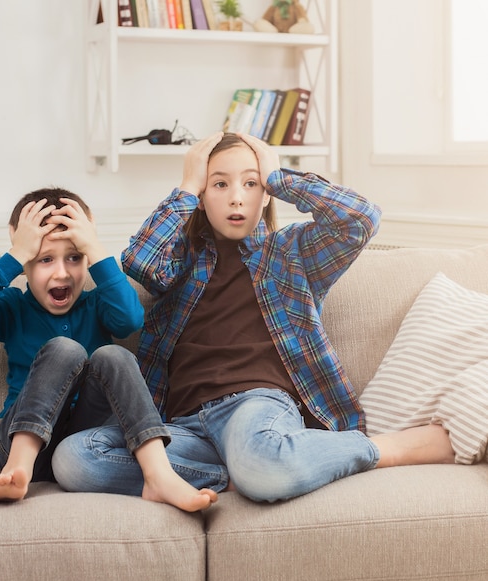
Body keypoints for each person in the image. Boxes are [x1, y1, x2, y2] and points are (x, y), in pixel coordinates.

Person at [51, 133, 454, 503]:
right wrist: (186, 187)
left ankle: (384, 448)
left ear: (265, 195)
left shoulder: (293, 252)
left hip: (256, 408)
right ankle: (241, 470)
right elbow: (139, 262)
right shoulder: (181, 263)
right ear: (203, 196)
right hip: (185, 427)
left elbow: (360, 220)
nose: (236, 198)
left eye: (251, 183)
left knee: (263, 460)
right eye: (219, 184)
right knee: (75, 458)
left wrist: (280, 176)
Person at [0, 187, 217, 511]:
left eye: (75, 257)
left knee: (113, 354)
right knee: (65, 349)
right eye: (45, 259)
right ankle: (18, 467)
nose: (62, 272)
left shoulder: (97, 305)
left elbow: (130, 319)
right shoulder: (12, 308)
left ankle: (158, 473)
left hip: (84, 446)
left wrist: (95, 248)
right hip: (15, 444)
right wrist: (15, 255)